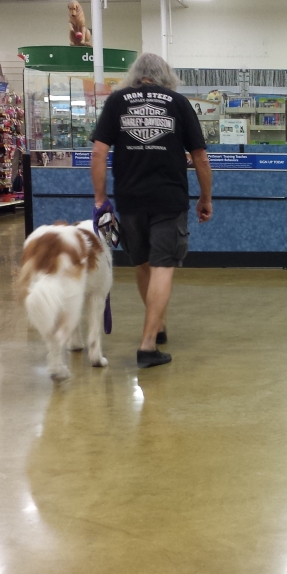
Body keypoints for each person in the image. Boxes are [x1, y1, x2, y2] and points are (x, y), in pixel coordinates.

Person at [91, 52, 212, 369]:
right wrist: (205, 198)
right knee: (163, 266)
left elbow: (99, 152)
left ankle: (157, 327)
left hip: (129, 198)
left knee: (143, 264)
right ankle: (147, 346)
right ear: (167, 76)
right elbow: (200, 157)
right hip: (168, 198)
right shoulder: (178, 103)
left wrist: (100, 199)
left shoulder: (117, 101)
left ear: (134, 74)